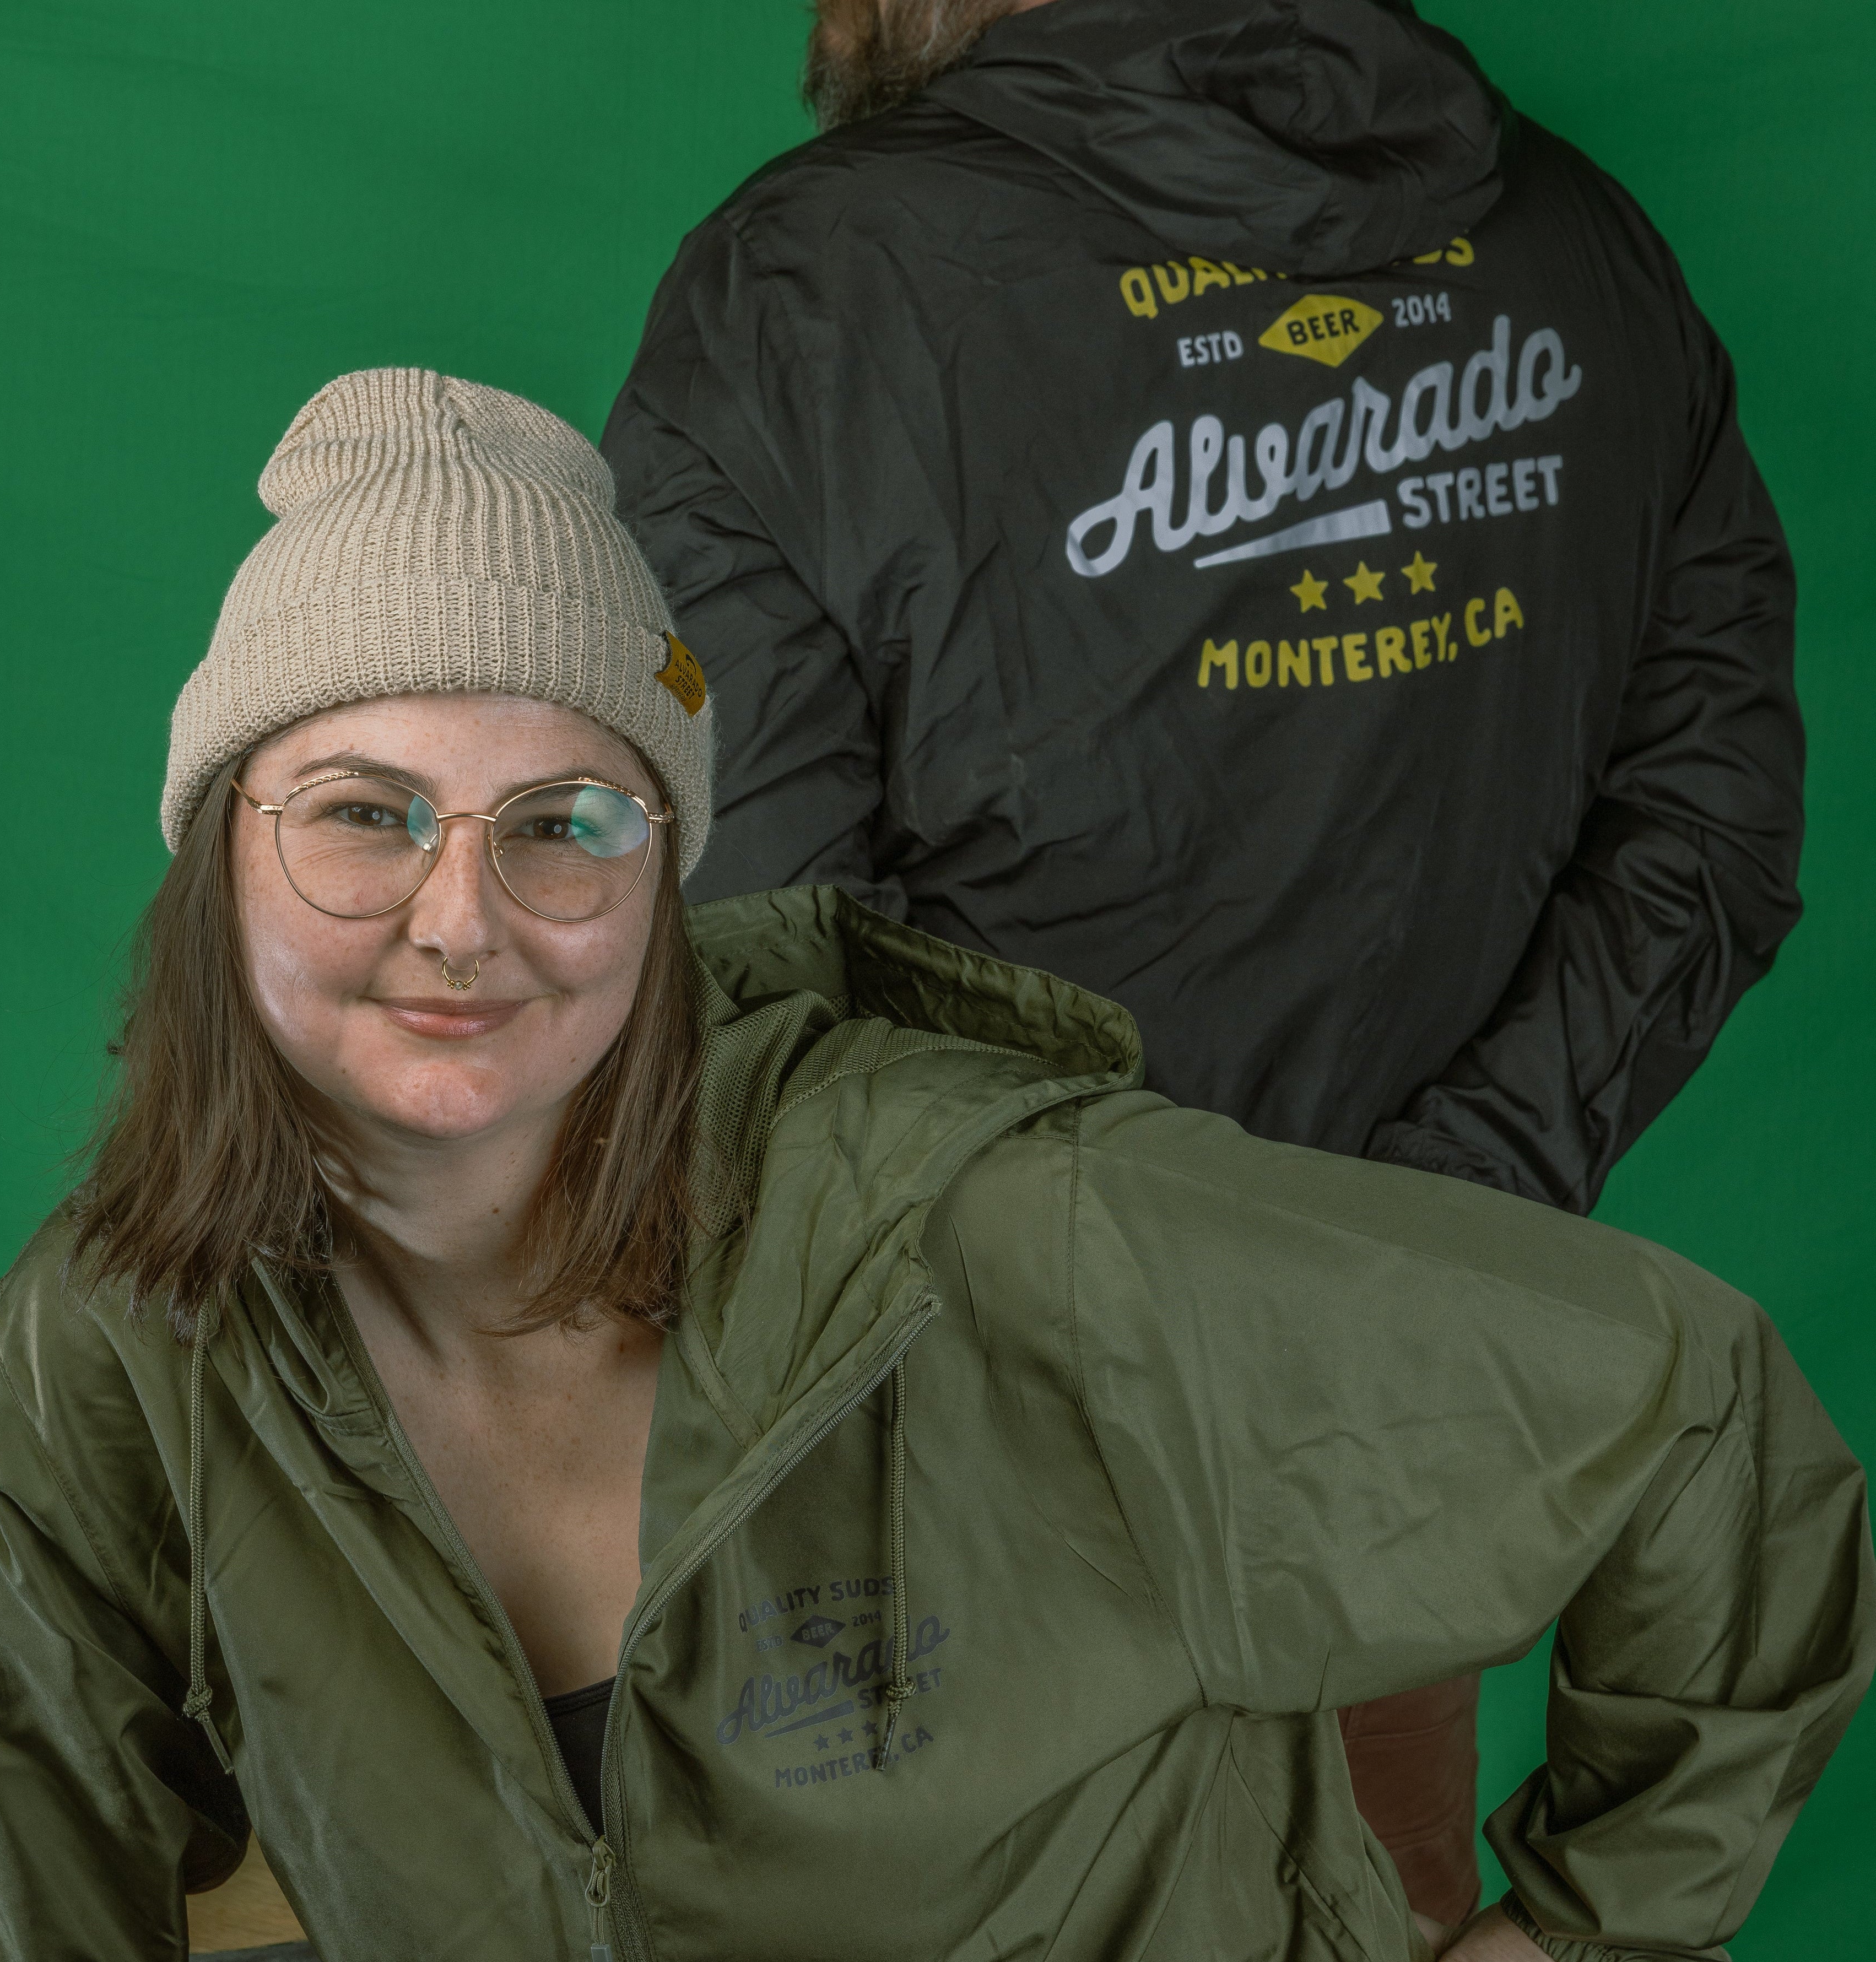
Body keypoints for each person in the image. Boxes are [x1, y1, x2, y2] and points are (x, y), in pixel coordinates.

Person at [0, 370, 1861, 1962]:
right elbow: (3, 1879)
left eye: (565, 822)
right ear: (218, 858)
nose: (460, 917)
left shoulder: (999, 1227)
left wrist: (1583, 1937)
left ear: (661, 883)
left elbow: (1698, 1420)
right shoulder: (121, 1341)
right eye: (364, 813)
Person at [598, 0, 1807, 1918]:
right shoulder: (1582, 248)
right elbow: (1714, 820)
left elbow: (743, 979)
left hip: (953, 1540)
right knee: (1374, 1894)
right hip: (1384, 1443)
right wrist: (1418, 1231)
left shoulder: (801, 290)